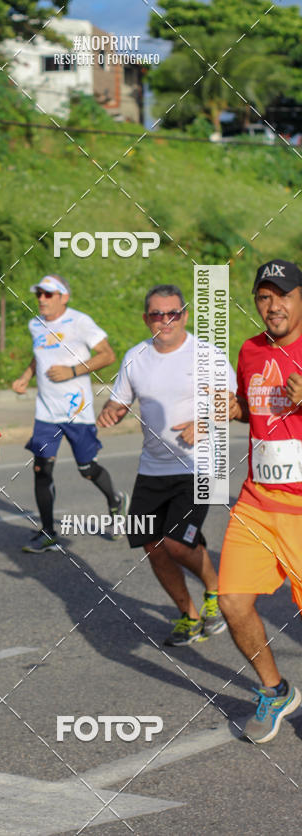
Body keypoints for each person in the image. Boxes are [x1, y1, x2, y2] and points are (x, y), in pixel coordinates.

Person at [97, 284, 236, 646]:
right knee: (151, 543)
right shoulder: (135, 357)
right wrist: (112, 411)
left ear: (185, 316)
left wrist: (203, 423)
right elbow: (119, 402)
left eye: (173, 313)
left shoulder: (207, 355)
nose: (165, 320)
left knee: (178, 544)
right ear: (146, 319)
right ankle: (189, 615)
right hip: (153, 468)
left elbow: (232, 404)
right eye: (157, 314)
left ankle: (214, 591)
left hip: (201, 466)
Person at [219, 259, 302, 743]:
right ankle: (275, 690)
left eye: (283, 295)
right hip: (255, 502)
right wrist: (235, 410)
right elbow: (256, 410)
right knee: (232, 601)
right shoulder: (249, 350)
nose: (273, 306)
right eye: (264, 297)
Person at [12, 274, 126, 553]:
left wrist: (72, 371)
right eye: (39, 293)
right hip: (47, 411)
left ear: (64, 297)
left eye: (48, 294)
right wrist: (26, 376)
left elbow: (107, 354)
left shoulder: (79, 321)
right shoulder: (35, 324)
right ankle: (49, 533)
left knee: (87, 469)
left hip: (77, 411)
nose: (41, 299)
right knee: (41, 469)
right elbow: (39, 354)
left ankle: (116, 499)